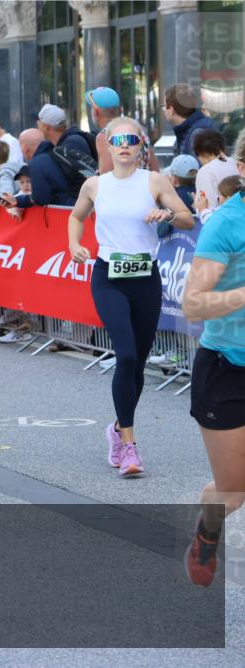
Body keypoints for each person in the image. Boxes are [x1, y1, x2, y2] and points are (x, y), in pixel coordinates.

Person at [67, 116, 195, 478]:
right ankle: (129, 445)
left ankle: (117, 428)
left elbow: (186, 218)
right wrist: (74, 244)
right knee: (124, 354)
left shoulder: (154, 181)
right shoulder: (95, 184)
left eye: (132, 140)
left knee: (136, 363)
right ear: (107, 146)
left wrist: (167, 213)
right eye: (118, 140)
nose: (124, 146)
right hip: (109, 278)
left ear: (141, 147)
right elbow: (76, 217)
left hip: (145, 279)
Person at [181, 128, 245, 588]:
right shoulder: (226, 223)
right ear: (242, 168)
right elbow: (193, 304)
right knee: (232, 492)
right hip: (228, 369)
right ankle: (207, 532)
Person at [2, 127, 84, 209]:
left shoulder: (36, 163)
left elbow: (41, 198)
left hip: (65, 210)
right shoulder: (58, 153)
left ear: (25, 148)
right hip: (81, 205)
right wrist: (18, 200)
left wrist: (19, 200)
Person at [86, 87, 159, 173]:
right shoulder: (137, 130)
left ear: (96, 112)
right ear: (120, 110)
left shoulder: (104, 137)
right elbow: (155, 169)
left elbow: (106, 176)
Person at [164, 83, 217, 158]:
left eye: (164, 107)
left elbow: (199, 165)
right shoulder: (196, 129)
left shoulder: (197, 134)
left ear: (171, 109)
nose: (164, 111)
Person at [193, 130, 240, 211]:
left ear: (200, 152)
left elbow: (209, 208)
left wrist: (198, 206)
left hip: (222, 217)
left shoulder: (205, 171)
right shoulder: (237, 164)